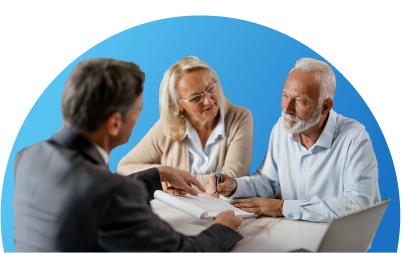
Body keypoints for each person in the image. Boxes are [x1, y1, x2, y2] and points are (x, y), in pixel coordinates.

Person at [13, 58, 243, 251]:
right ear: (114, 123)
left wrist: (157, 173)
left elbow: (89, 197)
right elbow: (181, 250)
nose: (138, 118)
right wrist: (223, 227)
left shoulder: (27, 157)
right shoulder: (114, 192)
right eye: (138, 111)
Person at [205, 57, 381, 223]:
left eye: (299, 101)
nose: (286, 108)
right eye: (285, 95)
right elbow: (269, 182)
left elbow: (357, 206)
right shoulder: (282, 128)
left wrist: (284, 207)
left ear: (325, 106)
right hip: (290, 231)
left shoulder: (355, 139)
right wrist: (235, 186)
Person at [117, 56, 253, 192]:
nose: (208, 101)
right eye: (195, 97)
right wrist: (163, 173)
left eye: (210, 88)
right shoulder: (167, 126)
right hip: (178, 209)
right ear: (178, 104)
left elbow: (231, 179)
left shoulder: (240, 117)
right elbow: (124, 167)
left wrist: (175, 180)